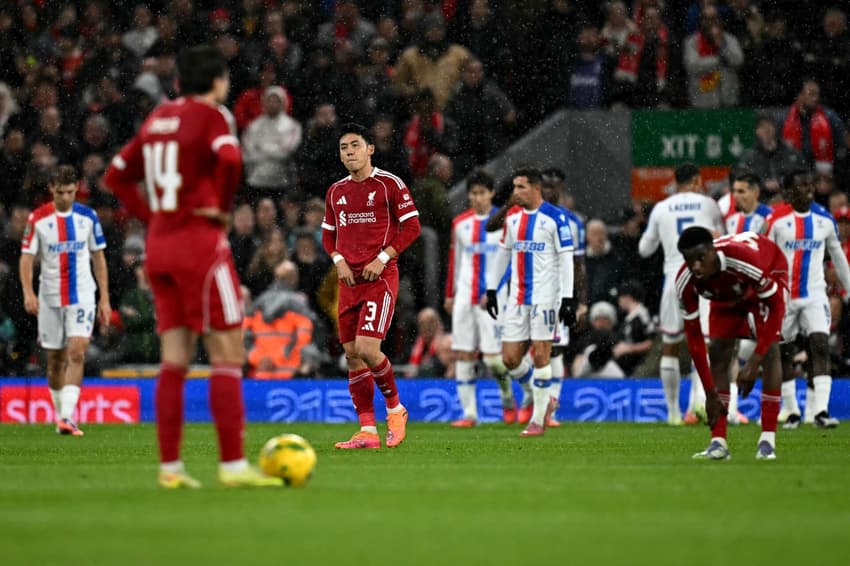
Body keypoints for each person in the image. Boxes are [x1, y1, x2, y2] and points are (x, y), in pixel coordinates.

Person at [103, 45, 281, 488]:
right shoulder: (213, 115)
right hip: (198, 244)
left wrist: (150, 216)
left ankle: (170, 469)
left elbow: (115, 175)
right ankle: (234, 466)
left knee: (174, 360)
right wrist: (220, 210)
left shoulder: (156, 119)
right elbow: (231, 158)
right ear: (217, 80)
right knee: (227, 354)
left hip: (159, 247)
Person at [321, 122, 421, 449]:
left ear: (370, 149)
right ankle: (367, 431)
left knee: (367, 348)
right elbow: (327, 234)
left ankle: (396, 409)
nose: (349, 152)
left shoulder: (389, 184)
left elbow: (412, 228)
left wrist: (384, 257)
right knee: (351, 355)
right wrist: (338, 260)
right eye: (343, 148)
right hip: (349, 282)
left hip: (379, 278)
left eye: (354, 145)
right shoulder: (336, 191)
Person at [676, 227, 788, 460]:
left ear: (713, 250)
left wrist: (753, 362)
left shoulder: (744, 261)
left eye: (700, 258)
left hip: (768, 271)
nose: (695, 266)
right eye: (689, 260)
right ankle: (718, 443)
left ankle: (767, 441)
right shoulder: (685, 281)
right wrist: (709, 393)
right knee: (717, 350)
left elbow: (777, 307)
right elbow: (695, 340)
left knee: (770, 352)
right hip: (725, 293)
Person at [20, 164, 112, 436]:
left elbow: (99, 258)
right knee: (55, 360)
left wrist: (104, 298)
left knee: (78, 351)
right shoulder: (37, 219)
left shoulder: (88, 217)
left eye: (71, 192)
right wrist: (28, 293)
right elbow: (26, 258)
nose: (66, 198)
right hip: (49, 296)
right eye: (61, 192)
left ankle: (67, 417)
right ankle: (62, 415)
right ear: (51, 190)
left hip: (82, 294)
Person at [484, 167, 576, 437]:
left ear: (536, 189)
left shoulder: (556, 218)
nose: (516, 193)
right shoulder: (513, 218)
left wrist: (568, 298)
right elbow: (503, 254)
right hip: (517, 298)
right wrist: (492, 289)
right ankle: (542, 398)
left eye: (521, 187)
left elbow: (567, 259)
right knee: (510, 359)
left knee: (541, 355)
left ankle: (537, 420)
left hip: (546, 299)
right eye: (514, 187)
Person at [638, 163, 725, 424]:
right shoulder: (709, 204)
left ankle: (674, 413)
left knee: (671, 345)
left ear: (675, 182)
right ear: (697, 180)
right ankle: (698, 403)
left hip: (674, 279)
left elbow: (644, 249)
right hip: (704, 278)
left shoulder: (661, 207)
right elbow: (722, 237)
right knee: (705, 342)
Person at [766, 169, 850, 429]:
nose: (809, 190)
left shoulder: (825, 220)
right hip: (784, 296)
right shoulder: (776, 221)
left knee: (820, 345)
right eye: (802, 186)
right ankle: (791, 412)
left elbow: (838, 257)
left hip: (814, 294)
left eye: (811, 185)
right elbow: (765, 259)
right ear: (790, 191)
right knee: (784, 351)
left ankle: (821, 412)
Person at [444, 168, 515, 426]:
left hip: (494, 300)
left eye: (482, 193)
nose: (477, 198)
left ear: (492, 194)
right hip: (465, 296)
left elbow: (511, 261)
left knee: (494, 360)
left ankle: (507, 396)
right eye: (473, 193)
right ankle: (469, 414)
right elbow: (455, 262)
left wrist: (495, 290)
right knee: (463, 353)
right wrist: (450, 295)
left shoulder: (505, 221)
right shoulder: (460, 224)